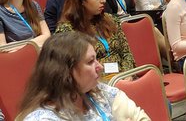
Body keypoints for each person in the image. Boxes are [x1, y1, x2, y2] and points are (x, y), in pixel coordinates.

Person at [17, 31, 149, 120]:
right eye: (90, 61)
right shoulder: (43, 118)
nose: (100, 67)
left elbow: (141, 117)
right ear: (66, 72)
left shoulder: (101, 92)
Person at [55, 0, 135, 79]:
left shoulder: (110, 19)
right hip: (94, 83)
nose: (103, 0)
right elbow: (71, 69)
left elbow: (126, 52)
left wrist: (128, 75)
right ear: (82, 1)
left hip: (122, 77)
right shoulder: (67, 31)